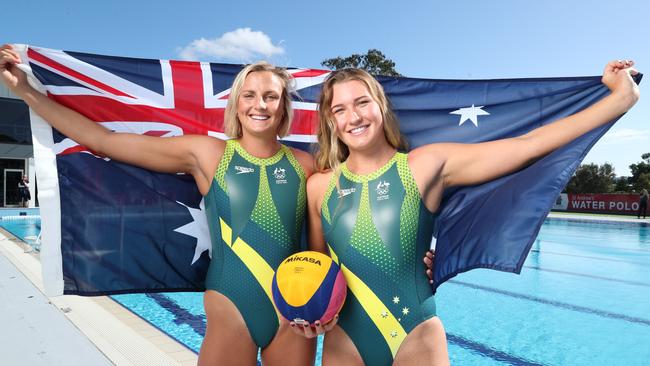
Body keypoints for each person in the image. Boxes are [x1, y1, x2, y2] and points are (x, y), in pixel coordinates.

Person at [298, 61, 639, 365]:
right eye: (339, 109)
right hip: (346, 342)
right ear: (330, 120)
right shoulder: (320, 187)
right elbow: (318, 273)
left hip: (415, 336)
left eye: (362, 102)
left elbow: (527, 147)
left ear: (381, 106)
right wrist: (312, 316)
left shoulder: (424, 166)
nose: (353, 117)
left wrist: (619, 99)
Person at [1, 44, 316, 365]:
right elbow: (103, 141)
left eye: (270, 96)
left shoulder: (305, 165)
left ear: (284, 106)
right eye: (249, 95)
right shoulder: (208, 154)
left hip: (292, 313)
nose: (259, 105)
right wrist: (25, 91)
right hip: (231, 308)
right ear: (236, 105)